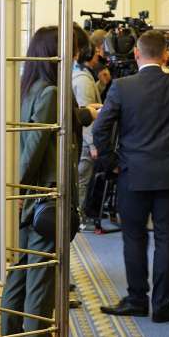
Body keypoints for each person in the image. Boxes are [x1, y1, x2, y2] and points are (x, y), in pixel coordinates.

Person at [93, 31, 169, 323]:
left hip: (131, 174)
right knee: (167, 239)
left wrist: (111, 162)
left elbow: (100, 128)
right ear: (167, 54)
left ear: (136, 54)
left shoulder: (122, 86)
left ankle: (136, 299)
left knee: (133, 238)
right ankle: (162, 305)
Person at [0, 26, 86, 337]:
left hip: (30, 203)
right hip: (44, 202)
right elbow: (34, 149)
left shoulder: (30, 88)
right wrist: (21, 190)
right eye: (74, 50)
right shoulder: (51, 92)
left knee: (19, 278)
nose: (76, 57)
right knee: (40, 285)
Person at [72, 25, 103, 230]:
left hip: (82, 140)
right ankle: (79, 218)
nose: (99, 55)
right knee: (82, 181)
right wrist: (92, 144)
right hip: (84, 141)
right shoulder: (83, 80)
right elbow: (86, 115)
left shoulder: (83, 76)